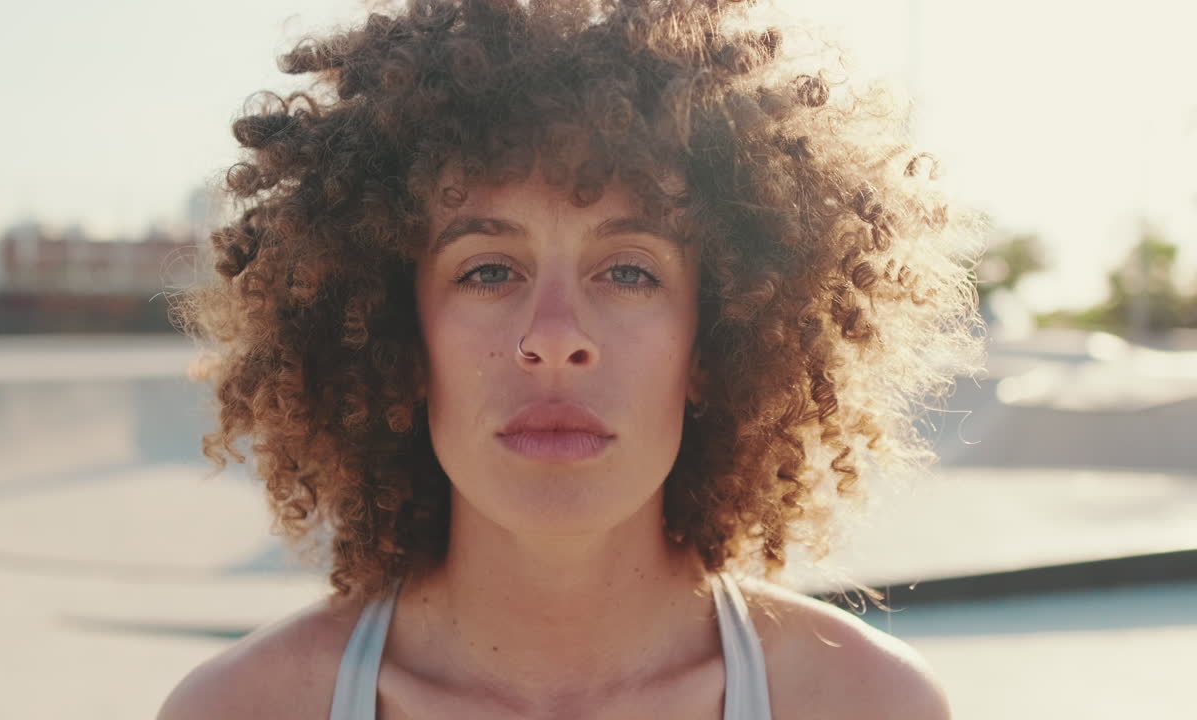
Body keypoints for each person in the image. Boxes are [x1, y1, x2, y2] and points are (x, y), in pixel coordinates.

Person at [160, 0, 984, 717]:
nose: (554, 335)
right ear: (399, 339)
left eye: (629, 270)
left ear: (718, 340)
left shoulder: (870, 708)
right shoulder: (239, 711)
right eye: (487, 271)